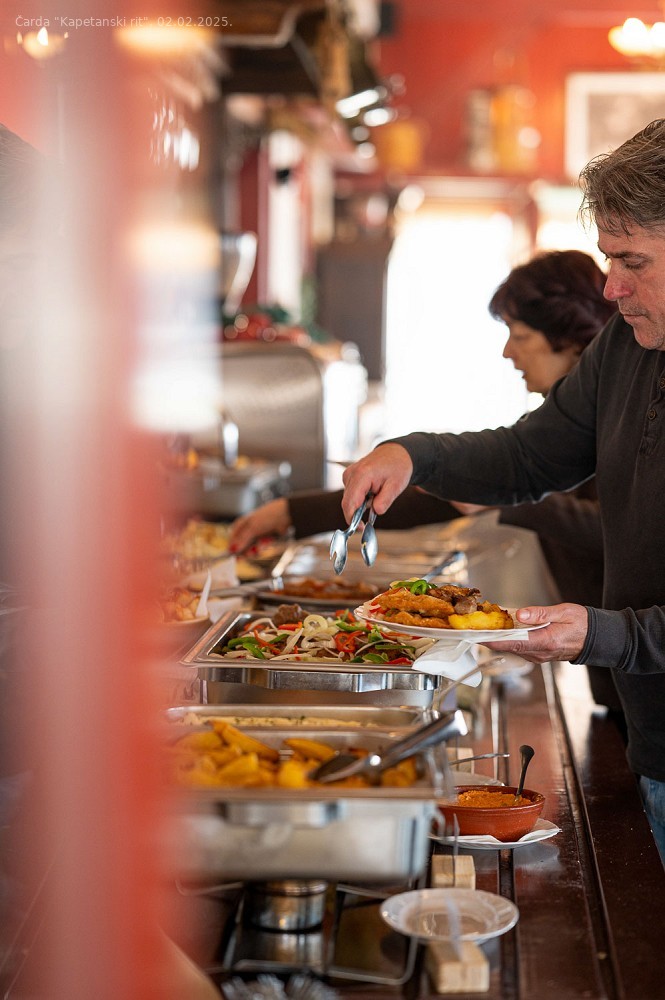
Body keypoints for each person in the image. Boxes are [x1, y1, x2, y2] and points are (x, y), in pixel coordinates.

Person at [339, 118, 665, 864]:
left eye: (631, 261)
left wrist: (601, 634)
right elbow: (528, 455)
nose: (610, 287)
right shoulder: (627, 343)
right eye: (607, 258)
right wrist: (413, 453)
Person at [229, 250, 622, 715]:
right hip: (611, 674)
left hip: (626, 659)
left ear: (572, 339)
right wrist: (292, 513)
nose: (507, 352)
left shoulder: (614, 416)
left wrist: (510, 501)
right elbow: (437, 495)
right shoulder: (565, 424)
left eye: (519, 336)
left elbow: (616, 531)